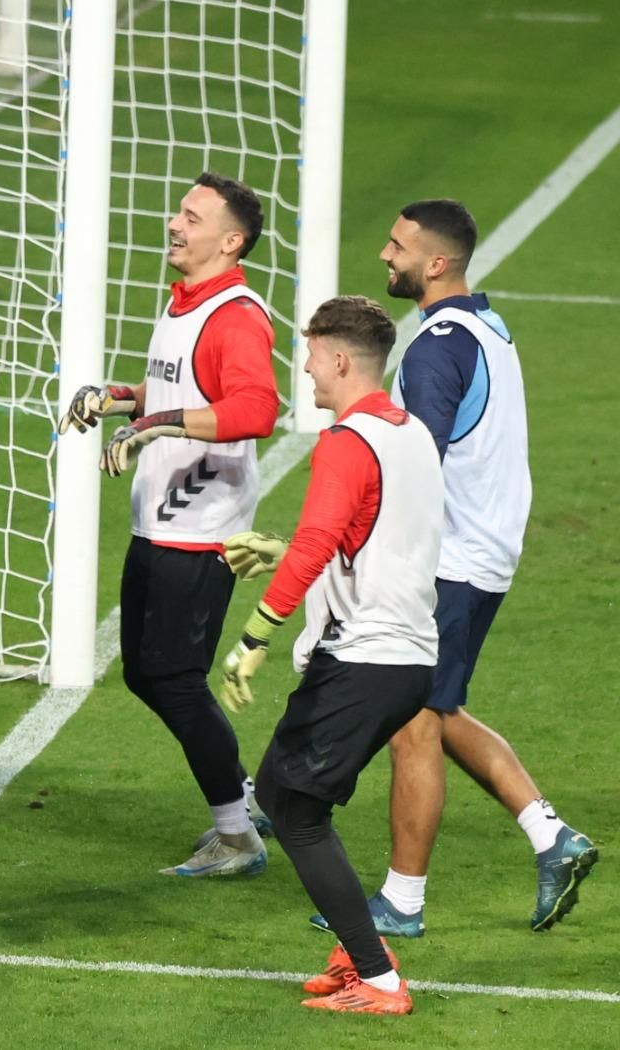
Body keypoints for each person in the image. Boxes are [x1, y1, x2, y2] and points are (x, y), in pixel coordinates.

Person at [315, 199, 596, 936]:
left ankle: (402, 902)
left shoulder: (439, 345)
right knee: (433, 708)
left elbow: (416, 460)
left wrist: (348, 536)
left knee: (414, 722)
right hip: (486, 551)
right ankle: (549, 835)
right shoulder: (486, 325)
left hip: (455, 558)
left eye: (399, 245)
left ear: (436, 263)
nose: (385, 254)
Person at [219, 295, 441, 1015]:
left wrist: (254, 636)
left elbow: (322, 543)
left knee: (294, 808)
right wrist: (285, 551)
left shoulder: (347, 440)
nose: (306, 367)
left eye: (312, 355)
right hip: (407, 657)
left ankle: (378, 981)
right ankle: (357, 947)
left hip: (366, 656)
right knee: (292, 796)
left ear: (341, 360)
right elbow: (373, 537)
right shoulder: (410, 434)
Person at [59, 171, 279, 876]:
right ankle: (241, 799)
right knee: (148, 676)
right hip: (161, 522)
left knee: (174, 677)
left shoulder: (237, 314)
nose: (175, 224)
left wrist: (155, 425)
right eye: (179, 212)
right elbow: (178, 387)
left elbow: (255, 409)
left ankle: (237, 835)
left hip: (202, 526)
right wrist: (121, 399)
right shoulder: (188, 300)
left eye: (193, 216)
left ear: (231, 240)